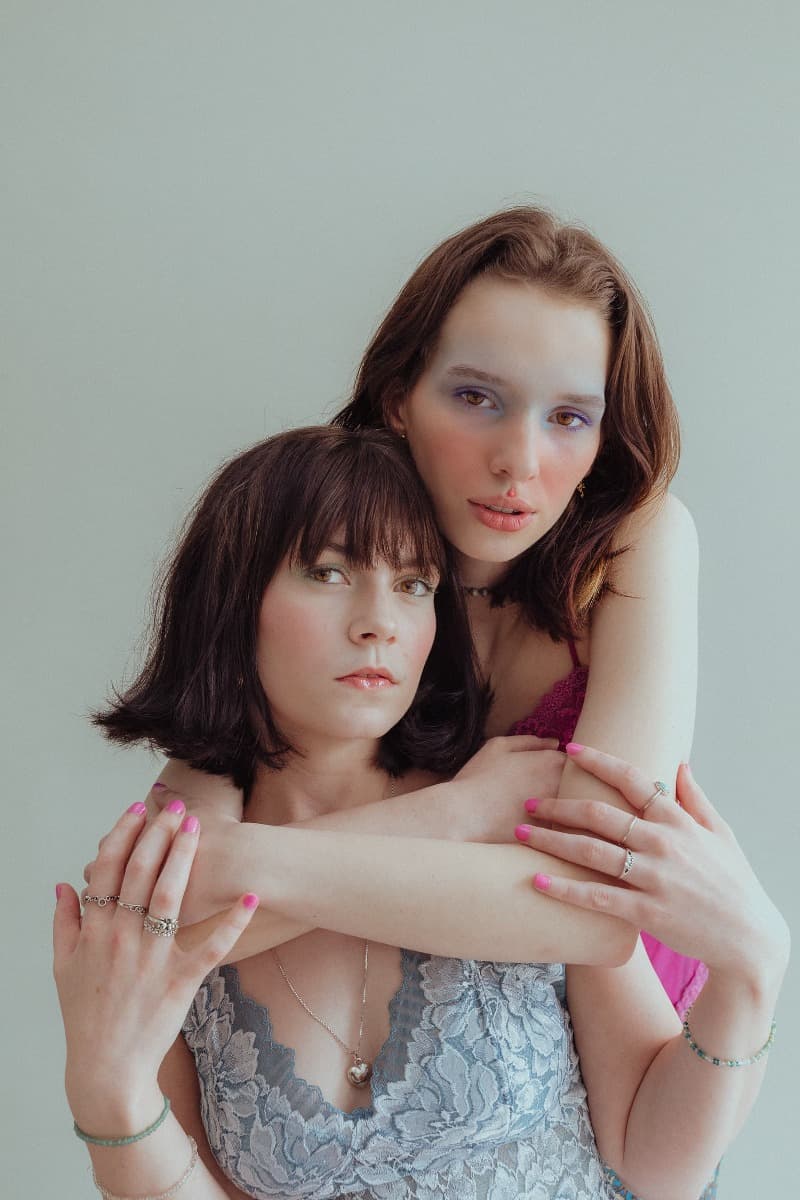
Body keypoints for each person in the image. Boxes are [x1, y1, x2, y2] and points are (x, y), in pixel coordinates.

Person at [61, 427, 788, 1200]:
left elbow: (655, 1160)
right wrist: (109, 1093)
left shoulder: (520, 821)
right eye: (329, 571)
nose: (380, 620)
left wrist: (752, 977)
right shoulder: (162, 874)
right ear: (232, 603)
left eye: (414, 584)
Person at [148, 206, 703, 1017]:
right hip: (448, 1055)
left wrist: (242, 867)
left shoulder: (636, 543)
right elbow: (154, 921)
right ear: (399, 395)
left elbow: (592, 906)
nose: (519, 460)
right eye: (477, 397)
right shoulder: (317, 556)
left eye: (569, 418)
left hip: (646, 1043)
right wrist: (457, 811)